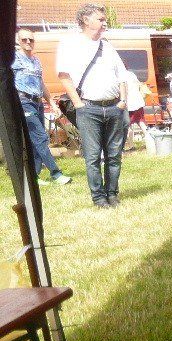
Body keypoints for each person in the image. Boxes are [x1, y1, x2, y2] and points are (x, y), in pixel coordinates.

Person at [57, 3, 128, 208]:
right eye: (101, 19)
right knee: (93, 156)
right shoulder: (70, 44)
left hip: (114, 108)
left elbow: (122, 75)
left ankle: (112, 194)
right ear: (86, 20)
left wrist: (123, 101)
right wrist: (78, 104)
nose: (105, 23)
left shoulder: (108, 46)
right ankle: (99, 198)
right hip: (89, 109)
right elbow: (64, 76)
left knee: (114, 156)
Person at [13, 29, 72, 186]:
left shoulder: (36, 60)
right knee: (41, 137)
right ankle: (56, 173)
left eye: (31, 39)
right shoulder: (13, 60)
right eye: (24, 39)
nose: (28, 42)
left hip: (37, 102)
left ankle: (34, 176)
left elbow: (41, 84)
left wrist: (51, 103)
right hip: (23, 102)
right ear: (18, 41)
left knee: (35, 141)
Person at [123, 70, 149, 150]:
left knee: (127, 125)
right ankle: (150, 143)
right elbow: (138, 84)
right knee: (141, 122)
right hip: (138, 101)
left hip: (129, 104)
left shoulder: (120, 75)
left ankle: (131, 145)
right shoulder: (131, 74)